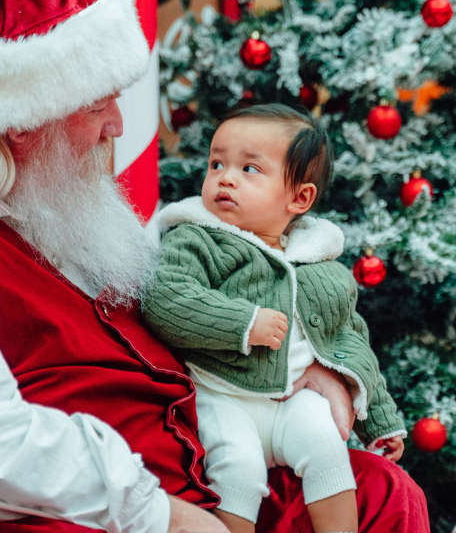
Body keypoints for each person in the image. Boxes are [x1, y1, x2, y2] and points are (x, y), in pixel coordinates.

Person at [0, 0, 429, 533]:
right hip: (19, 519)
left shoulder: (44, 206)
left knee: (380, 494)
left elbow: (176, 330)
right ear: (20, 121)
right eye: (97, 105)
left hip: (173, 486)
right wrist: (163, 516)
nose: (117, 125)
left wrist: (307, 371)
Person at [141, 106, 406, 533]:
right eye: (217, 164)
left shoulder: (319, 263)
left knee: (327, 451)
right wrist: (243, 322)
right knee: (238, 471)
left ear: (299, 198)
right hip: (221, 393)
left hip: (293, 398)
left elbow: (349, 342)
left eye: (249, 169)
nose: (226, 178)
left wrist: (379, 420)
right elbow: (165, 297)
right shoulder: (196, 238)